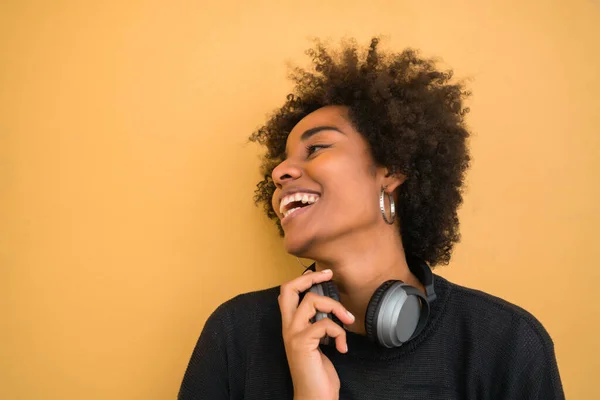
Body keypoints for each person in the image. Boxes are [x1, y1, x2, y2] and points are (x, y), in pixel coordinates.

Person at [178, 37, 564, 399]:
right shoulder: (236, 335)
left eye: (316, 148)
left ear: (392, 169)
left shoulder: (504, 342)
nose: (280, 173)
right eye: (281, 161)